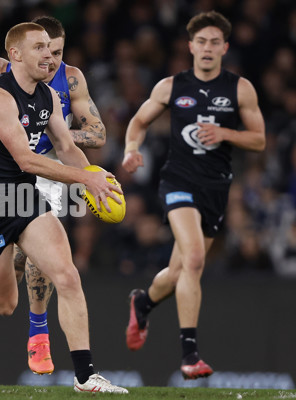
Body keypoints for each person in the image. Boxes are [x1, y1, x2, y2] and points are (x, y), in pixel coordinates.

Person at [0, 22, 127, 394]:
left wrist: (94, 178)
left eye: (53, 51)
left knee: (67, 276)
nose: (50, 58)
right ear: (15, 54)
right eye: (40, 49)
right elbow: (25, 159)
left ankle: (85, 376)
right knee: (4, 304)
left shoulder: (49, 95)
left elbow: (66, 146)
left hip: (25, 197)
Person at [121, 11, 265, 379]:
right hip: (178, 183)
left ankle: (143, 302)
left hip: (215, 189)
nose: (207, 48)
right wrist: (130, 149)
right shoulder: (172, 86)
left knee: (177, 271)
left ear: (225, 48)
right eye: (201, 42)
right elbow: (138, 121)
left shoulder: (240, 88)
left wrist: (226, 134)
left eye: (215, 42)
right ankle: (189, 355)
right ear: (190, 47)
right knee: (196, 258)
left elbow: (259, 139)